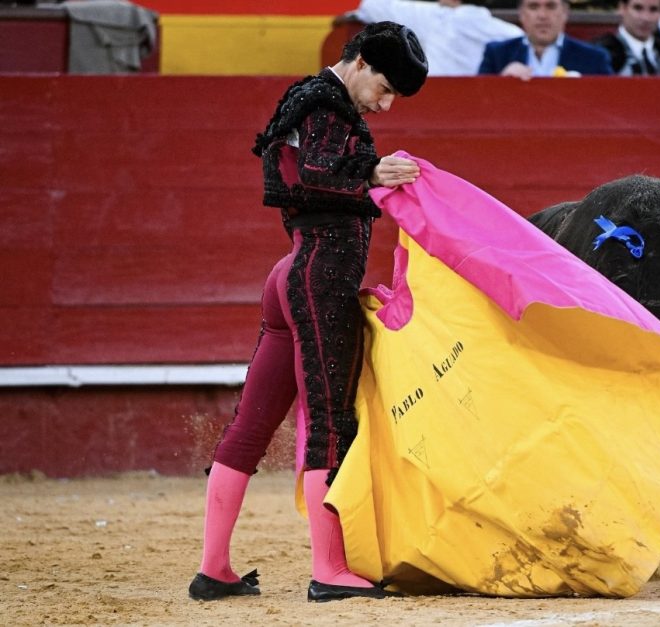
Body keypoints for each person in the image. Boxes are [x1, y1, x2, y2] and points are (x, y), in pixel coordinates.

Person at [187, 21, 428, 603]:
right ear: (361, 61)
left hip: (292, 272)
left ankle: (213, 567)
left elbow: (297, 175)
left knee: (252, 424)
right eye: (386, 88)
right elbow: (308, 177)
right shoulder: (327, 108)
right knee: (328, 418)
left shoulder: (308, 102)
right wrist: (370, 174)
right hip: (319, 276)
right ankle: (329, 569)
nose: (387, 104)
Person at [354, 0, 523, 76]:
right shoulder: (510, 32)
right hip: (482, 108)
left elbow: (370, 6)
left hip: (434, 104)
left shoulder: (436, 17)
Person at [478, 0, 613, 79]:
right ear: (521, 14)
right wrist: (501, 82)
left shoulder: (593, 58)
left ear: (565, 13)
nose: (542, 15)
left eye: (551, 6)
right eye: (533, 6)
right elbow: (478, 104)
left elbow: (610, 107)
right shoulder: (497, 54)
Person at [592, 0, 660, 76]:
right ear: (622, 8)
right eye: (638, 8)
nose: (645, 18)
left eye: (653, 9)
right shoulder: (602, 53)